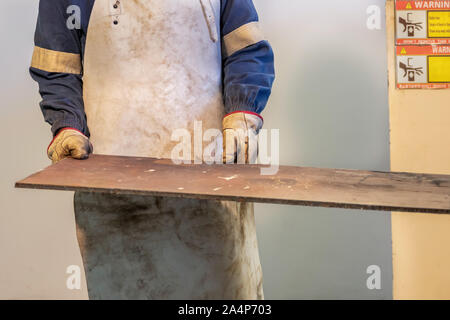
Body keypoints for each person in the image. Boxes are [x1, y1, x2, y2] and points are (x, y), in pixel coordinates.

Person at [30, 0, 275, 299]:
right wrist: (67, 126)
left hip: (211, 187)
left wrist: (242, 113)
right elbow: (57, 69)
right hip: (113, 195)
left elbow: (246, 50)